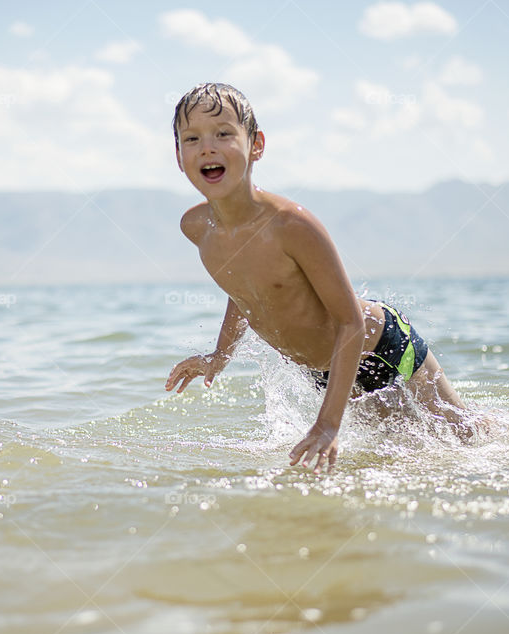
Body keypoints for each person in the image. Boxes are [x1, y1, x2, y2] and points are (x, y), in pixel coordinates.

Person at [164, 83, 471, 474]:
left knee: (467, 439)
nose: (207, 147)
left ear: (256, 145)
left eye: (224, 133)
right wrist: (218, 357)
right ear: (179, 156)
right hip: (323, 371)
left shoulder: (291, 225)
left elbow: (351, 321)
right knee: (402, 458)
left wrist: (328, 424)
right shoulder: (197, 227)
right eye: (192, 138)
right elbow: (243, 291)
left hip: (379, 348)